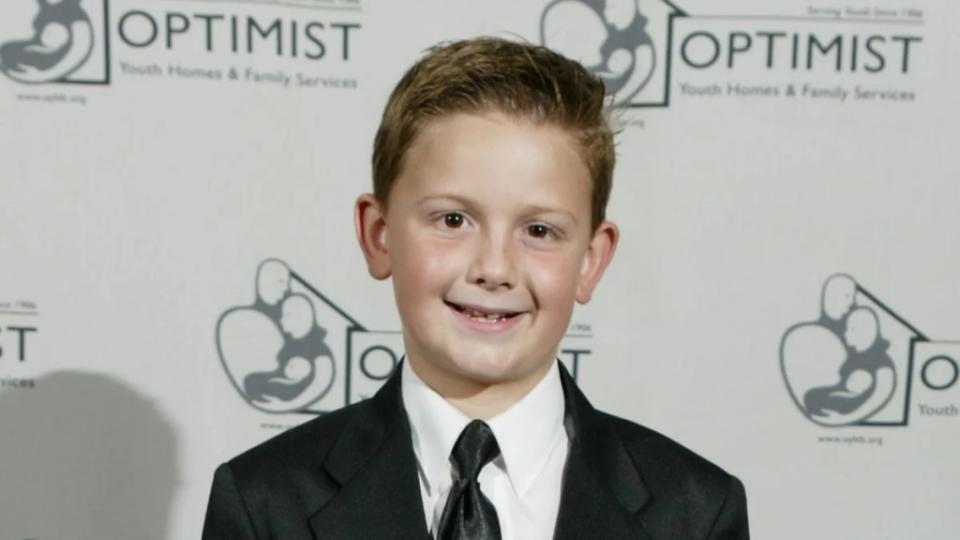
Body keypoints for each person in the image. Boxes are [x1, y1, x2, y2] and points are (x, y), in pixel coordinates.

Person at [202, 37, 749, 539]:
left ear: (591, 261)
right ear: (379, 235)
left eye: (539, 231)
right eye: (453, 221)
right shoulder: (264, 502)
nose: (494, 268)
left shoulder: (695, 511)